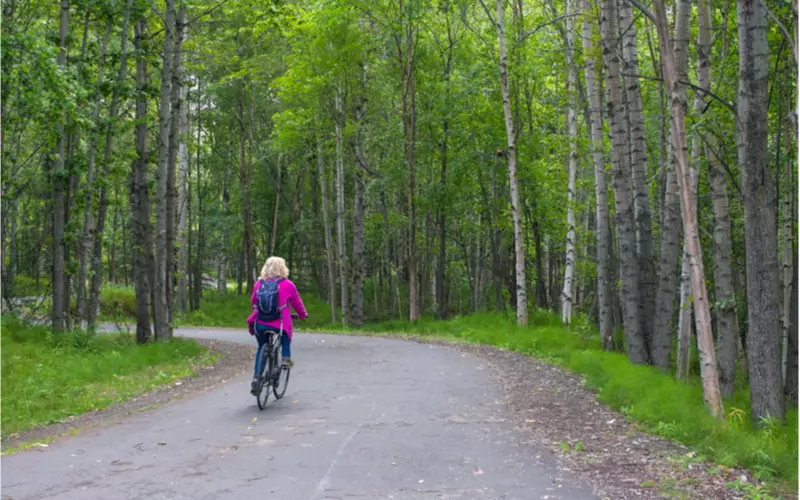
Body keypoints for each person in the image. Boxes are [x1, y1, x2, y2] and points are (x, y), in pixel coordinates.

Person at [247, 256, 307, 395]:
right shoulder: (287, 284)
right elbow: (297, 302)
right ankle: (285, 357)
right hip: (279, 322)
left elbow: (254, 301)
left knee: (262, 347)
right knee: (286, 333)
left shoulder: (259, 284)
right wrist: (303, 315)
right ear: (282, 268)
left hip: (261, 322)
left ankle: (257, 378)